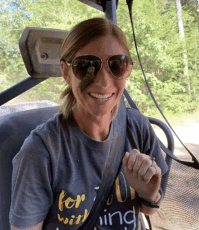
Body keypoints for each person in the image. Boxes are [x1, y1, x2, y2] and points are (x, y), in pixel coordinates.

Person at [9, 18, 168, 230]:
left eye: (116, 65)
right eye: (86, 66)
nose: (103, 82)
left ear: (127, 69)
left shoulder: (137, 127)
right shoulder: (41, 151)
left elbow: (149, 210)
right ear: (66, 72)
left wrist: (148, 193)